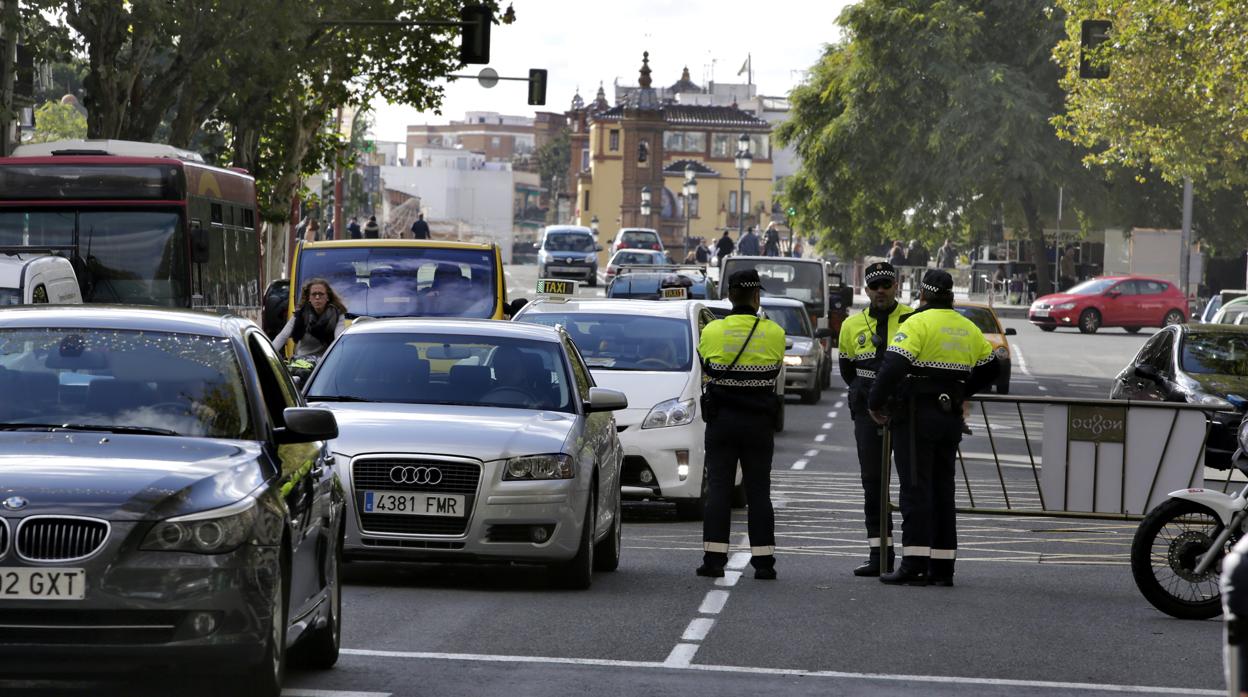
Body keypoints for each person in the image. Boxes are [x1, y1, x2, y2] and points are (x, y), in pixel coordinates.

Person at [867, 269, 999, 586]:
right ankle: (943, 567)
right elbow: (993, 367)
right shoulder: (967, 327)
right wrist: (962, 392)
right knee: (943, 490)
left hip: (916, 415)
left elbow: (894, 365)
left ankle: (913, 563)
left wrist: (875, 402)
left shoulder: (917, 323)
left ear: (923, 296)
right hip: (949, 415)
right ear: (950, 296)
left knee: (915, 488)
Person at [696, 269, 786, 580]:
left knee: (719, 489)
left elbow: (706, 365)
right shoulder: (774, 332)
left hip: (722, 421)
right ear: (757, 296)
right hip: (759, 421)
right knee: (759, 492)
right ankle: (764, 564)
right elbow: (774, 369)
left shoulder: (712, 331)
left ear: (730, 295)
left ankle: (714, 560)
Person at [839, 262, 912, 577]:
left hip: (907, 409)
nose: (880, 290)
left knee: (912, 482)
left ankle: (915, 557)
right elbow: (847, 371)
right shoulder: (851, 326)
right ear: (865, 290)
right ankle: (879, 554)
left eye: (886, 284)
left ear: (896, 285)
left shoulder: (913, 318)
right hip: (867, 412)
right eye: (874, 286)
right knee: (873, 484)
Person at [271, 278, 348, 357]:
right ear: (309, 298)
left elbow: (338, 340)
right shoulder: (300, 315)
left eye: (321, 294)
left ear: (328, 297)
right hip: (303, 362)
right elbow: (283, 336)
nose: (317, 297)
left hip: (326, 363)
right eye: (314, 294)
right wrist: (269, 355)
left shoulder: (337, 315)